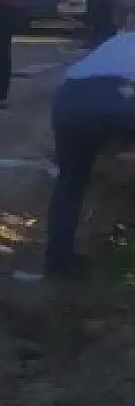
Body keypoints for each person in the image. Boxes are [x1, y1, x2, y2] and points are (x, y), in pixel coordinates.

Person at [45, 31, 135, 279]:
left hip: (69, 99)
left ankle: (58, 261)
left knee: (70, 182)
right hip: (119, 98)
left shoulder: (120, 39)